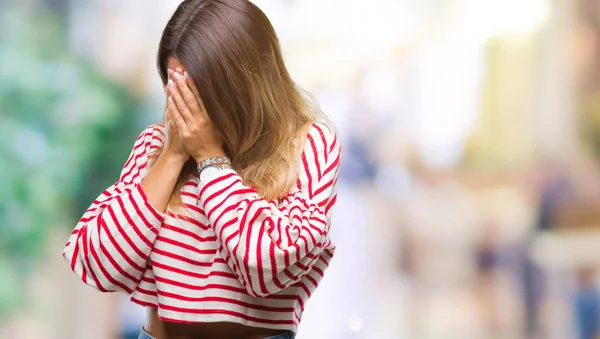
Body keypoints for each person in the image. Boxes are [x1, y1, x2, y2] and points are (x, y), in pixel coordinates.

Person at [62, 1, 341, 338]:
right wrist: (171, 157)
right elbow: (99, 264)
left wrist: (211, 159)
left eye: (196, 91)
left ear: (242, 83)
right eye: (175, 87)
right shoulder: (157, 145)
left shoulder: (307, 143)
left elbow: (266, 266)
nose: (184, 104)